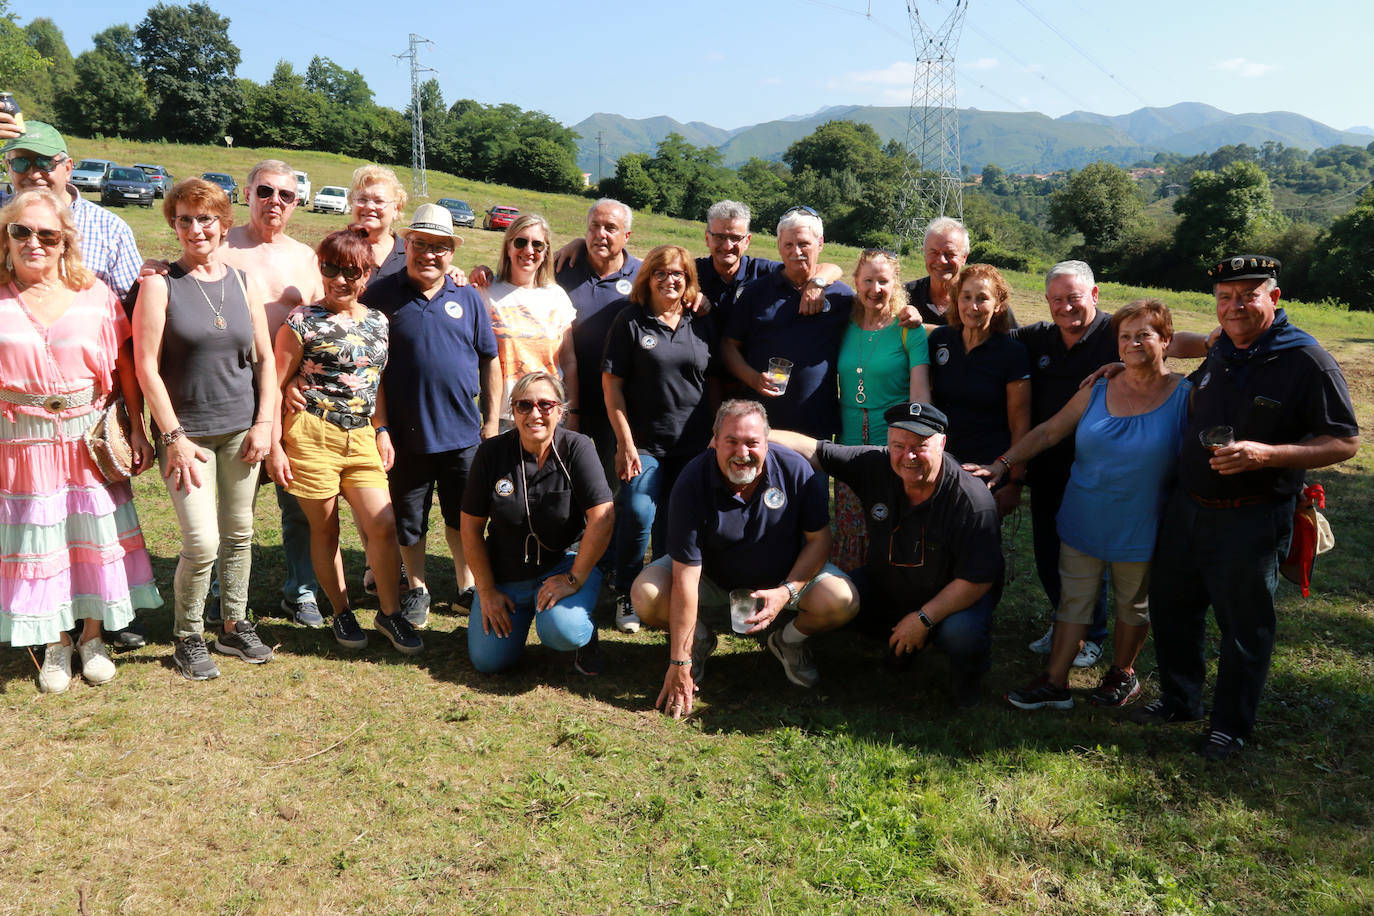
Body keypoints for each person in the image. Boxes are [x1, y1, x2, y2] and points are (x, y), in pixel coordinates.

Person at [1133, 255, 1358, 761]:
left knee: (1243, 626)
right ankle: (1179, 699)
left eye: (1247, 296)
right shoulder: (1226, 349)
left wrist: (1267, 454)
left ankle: (1230, 725)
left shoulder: (1306, 359)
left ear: (1273, 299)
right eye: (1224, 297)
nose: (1233, 307)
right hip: (1188, 507)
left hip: (1250, 515)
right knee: (1173, 611)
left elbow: (1344, 442)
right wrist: (1128, 367)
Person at [971, 300, 1192, 711]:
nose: (1132, 343)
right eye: (1125, 336)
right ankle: (1055, 682)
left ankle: (1121, 675)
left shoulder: (1186, 396)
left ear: (1167, 341)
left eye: (1144, 334)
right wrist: (1002, 464)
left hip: (1144, 522)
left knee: (1133, 605)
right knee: (1074, 600)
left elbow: (1221, 345)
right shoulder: (1099, 388)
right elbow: (1050, 431)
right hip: (1084, 514)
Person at [0, 189, 161, 691]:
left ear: (65, 240)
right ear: (6, 236)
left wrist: (137, 426)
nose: (34, 242)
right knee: (41, 541)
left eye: (47, 234)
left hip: (85, 438)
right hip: (20, 442)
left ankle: (92, 638)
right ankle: (56, 643)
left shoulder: (95, 294)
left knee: (92, 539)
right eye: (21, 231)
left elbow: (124, 369)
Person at [133, 178, 277, 680]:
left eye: (206, 218)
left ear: (224, 223)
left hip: (241, 430)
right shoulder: (159, 283)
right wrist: (172, 436)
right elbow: (145, 368)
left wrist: (266, 423)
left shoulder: (242, 282)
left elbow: (265, 360)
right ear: (173, 224)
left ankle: (233, 624)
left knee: (239, 534)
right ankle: (187, 635)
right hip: (187, 437)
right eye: (185, 219)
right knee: (202, 542)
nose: (196, 228)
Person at [631, 400, 860, 717]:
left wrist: (786, 592)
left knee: (842, 600)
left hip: (784, 578)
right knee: (646, 593)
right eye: (732, 441)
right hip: (711, 578)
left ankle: (788, 641)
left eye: (752, 442)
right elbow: (685, 576)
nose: (742, 453)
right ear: (715, 440)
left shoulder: (795, 470)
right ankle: (696, 640)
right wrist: (678, 661)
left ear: (767, 442)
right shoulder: (692, 480)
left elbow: (819, 542)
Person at [771, 403, 1002, 706]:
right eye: (898, 446)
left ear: (942, 444)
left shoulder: (972, 501)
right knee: (840, 602)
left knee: (962, 634)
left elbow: (976, 580)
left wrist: (922, 619)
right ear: (888, 443)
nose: (908, 456)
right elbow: (815, 450)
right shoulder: (875, 464)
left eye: (920, 447)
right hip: (888, 582)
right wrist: (750, 436)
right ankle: (901, 645)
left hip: (952, 595)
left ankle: (967, 680)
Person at [267, 229, 420, 656]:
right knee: (326, 528)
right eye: (331, 269)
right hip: (312, 432)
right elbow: (274, 383)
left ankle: (389, 614)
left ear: (366, 274)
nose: (340, 280)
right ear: (322, 269)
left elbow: (376, 384)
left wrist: (383, 429)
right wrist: (276, 443)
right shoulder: (301, 320)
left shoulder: (377, 322)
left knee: (383, 525)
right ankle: (341, 611)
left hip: (362, 436)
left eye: (351, 272)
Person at [360, 203, 501, 625]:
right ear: (407, 244)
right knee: (409, 519)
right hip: (405, 436)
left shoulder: (468, 297)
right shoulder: (380, 296)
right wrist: (380, 426)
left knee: (466, 516)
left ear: (451, 253)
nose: (430, 254)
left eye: (440, 247)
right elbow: (371, 369)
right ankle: (417, 588)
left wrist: (491, 423)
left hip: (463, 434)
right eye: (421, 244)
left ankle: (466, 586)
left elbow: (489, 359)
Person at [216, 159, 324, 627]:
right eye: (265, 191)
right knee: (233, 500)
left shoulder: (305, 256)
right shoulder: (221, 246)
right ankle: (221, 590)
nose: (274, 202)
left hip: (289, 392)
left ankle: (300, 590)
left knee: (297, 497)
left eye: (286, 195)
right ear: (247, 193)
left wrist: (301, 379)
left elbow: (320, 323)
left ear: (297, 203)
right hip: (233, 385)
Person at [460, 372, 613, 675]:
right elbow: (470, 528)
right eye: (524, 405)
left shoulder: (578, 448)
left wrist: (574, 578)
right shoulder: (491, 453)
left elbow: (603, 517)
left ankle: (584, 635)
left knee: (564, 631)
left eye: (545, 404)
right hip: (506, 574)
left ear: (560, 410)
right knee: (489, 662)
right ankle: (514, 621)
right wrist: (487, 591)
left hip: (563, 565)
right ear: (512, 411)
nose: (535, 414)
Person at [602, 245, 718, 634]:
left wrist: (718, 433)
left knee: (678, 522)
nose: (671, 280)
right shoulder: (630, 321)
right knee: (637, 512)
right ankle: (626, 591)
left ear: (689, 281)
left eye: (679, 275)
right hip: (645, 443)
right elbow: (612, 386)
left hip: (695, 445)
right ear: (647, 277)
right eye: (662, 273)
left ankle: (665, 597)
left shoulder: (700, 320)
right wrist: (624, 442)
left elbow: (714, 381)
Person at [832, 248, 931, 569]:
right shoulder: (842, 322)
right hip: (847, 446)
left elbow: (920, 397)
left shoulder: (908, 329)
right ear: (856, 283)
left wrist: (916, 446)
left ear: (896, 284)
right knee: (850, 529)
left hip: (892, 449)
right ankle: (847, 602)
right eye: (868, 280)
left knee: (888, 527)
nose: (876, 289)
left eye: (884, 281)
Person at [721, 207, 855, 440]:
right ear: (779, 246)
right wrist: (753, 378)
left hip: (816, 427)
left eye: (804, 244)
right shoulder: (756, 293)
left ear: (820, 243)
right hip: (761, 425)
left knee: (811, 479)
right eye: (788, 245)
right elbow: (728, 345)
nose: (796, 252)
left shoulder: (840, 297)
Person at [927, 263, 1030, 515]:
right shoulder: (941, 340)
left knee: (976, 548)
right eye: (966, 297)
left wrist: (1015, 483)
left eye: (982, 298)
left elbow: (1020, 424)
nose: (972, 307)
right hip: (939, 466)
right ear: (956, 299)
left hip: (985, 471)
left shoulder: (1012, 353)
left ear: (998, 305)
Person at [555, 199, 641, 453]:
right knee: (564, 482)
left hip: (619, 406)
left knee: (610, 485)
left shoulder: (643, 276)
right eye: (594, 227)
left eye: (610, 228)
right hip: (567, 401)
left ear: (626, 235)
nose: (600, 234)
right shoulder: (562, 268)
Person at [481, 214, 578, 426]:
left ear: (546, 253)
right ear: (508, 248)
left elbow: (569, 362)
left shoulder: (557, 296)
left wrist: (574, 413)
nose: (528, 250)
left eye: (537, 245)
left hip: (549, 413)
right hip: (503, 416)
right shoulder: (487, 293)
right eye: (520, 242)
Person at [695, 199, 842, 334]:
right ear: (707, 239)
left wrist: (817, 283)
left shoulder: (763, 271)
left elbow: (832, 269)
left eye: (735, 238)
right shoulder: (691, 272)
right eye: (719, 237)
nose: (727, 246)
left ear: (747, 241)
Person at [903, 217, 969, 327]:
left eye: (950, 254)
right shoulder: (904, 296)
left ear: (964, 258)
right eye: (934, 253)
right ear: (924, 254)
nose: (941, 261)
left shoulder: (978, 301)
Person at [348, 164, 409, 281]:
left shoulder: (410, 254)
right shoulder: (335, 249)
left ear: (396, 209)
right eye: (362, 199)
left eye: (379, 201)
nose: (369, 206)